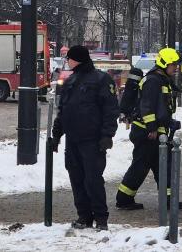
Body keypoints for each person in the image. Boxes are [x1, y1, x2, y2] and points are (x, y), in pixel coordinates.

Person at [50, 45, 119, 231]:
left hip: (92, 141)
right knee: (77, 179)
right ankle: (84, 217)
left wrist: (107, 135)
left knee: (93, 180)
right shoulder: (71, 80)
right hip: (73, 141)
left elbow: (110, 110)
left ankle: (101, 219)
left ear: (77, 59)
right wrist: (56, 135)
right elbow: (63, 112)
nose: (67, 61)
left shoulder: (101, 79)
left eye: (69, 58)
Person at [116, 47, 182, 212]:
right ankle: (123, 199)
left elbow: (160, 107)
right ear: (164, 64)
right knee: (140, 166)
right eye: (173, 64)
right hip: (146, 132)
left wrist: (167, 123)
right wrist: (152, 128)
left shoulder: (162, 79)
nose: (175, 67)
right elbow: (147, 106)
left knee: (163, 165)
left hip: (156, 131)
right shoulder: (153, 81)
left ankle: (169, 199)